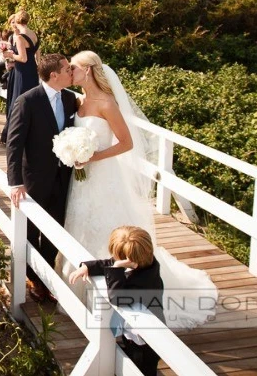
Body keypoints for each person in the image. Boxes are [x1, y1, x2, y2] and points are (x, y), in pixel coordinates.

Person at [64, 50, 217, 329]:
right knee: (80, 221)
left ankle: (116, 286)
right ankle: (80, 283)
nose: (69, 71)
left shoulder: (107, 103)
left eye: (72, 67)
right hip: (81, 177)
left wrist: (92, 157)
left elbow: (126, 143)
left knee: (107, 224)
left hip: (103, 175)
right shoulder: (78, 101)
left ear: (87, 70)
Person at [5, 53, 77, 300]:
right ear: (54, 74)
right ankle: (31, 277)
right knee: (30, 230)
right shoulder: (28, 100)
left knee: (55, 229)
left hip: (63, 176)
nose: (72, 71)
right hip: (34, 178)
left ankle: (44, 277)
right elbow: (14, 144)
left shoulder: (70, 99)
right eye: (68, 69)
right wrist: (15, 182)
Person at [69, 226, 164, 376]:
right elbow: (108, 262)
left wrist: (116, 267)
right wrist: (87, 267)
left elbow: (117, 297)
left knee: (144, 368)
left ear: (130, 262)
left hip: (146, 340)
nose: (114, 261)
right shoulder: (142, 261)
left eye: (119, 260)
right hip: (131, 332)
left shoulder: (146, 282)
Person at [0, 10, 40, 145]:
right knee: (31, 101)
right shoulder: (34, 34)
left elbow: (22, 58)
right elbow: (37, 56)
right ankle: (30, 135)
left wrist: (9, 55)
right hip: (33, 71)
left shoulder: (19, 37)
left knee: (18, 102)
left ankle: (13, 137)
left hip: (22, 72)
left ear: (17, 21)